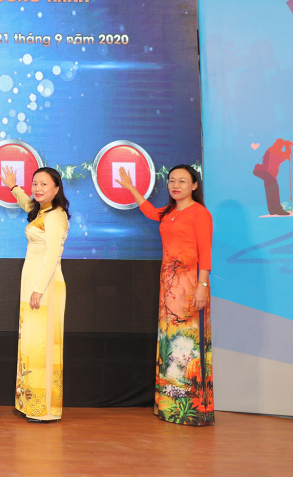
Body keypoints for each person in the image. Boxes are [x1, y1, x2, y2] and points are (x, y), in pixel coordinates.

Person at [118, 164, 214, 426]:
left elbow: (205, 252)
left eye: (182, 181)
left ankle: (191, 407)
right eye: (172, 180)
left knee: (187, 341)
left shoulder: (200, 213)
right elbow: (151, 212)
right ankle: (169, 405)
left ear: (194, 185)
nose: (176, 185)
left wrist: (202, 286)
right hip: (168, 287)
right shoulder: (170, 213)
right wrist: (131, 188)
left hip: (189, 285)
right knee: (170, 339)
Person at [2, 166, 70, 422]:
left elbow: (52, 256)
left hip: (46, 287)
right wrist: (13, 187)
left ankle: (45, 410)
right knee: (31, 344)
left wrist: (39, 290)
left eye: (44, 184)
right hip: (32, 286)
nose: (38, 188)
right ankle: (29, 403)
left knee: (43, 346)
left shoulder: (56, 216)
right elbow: (26, 202)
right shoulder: (42, 210)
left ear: (56, 188)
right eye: (35, 184)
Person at [252, 139, 293, 215]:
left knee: (270, 189)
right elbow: (287, 156)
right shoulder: (273, 150)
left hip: (265, 172)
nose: (281, 147)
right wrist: (287, 146)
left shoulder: (274, 150)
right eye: (281, 145)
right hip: (264, 172)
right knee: (274, 188)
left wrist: (287, 145)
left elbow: (287, 156)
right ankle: (277, 209)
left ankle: (272, 210)